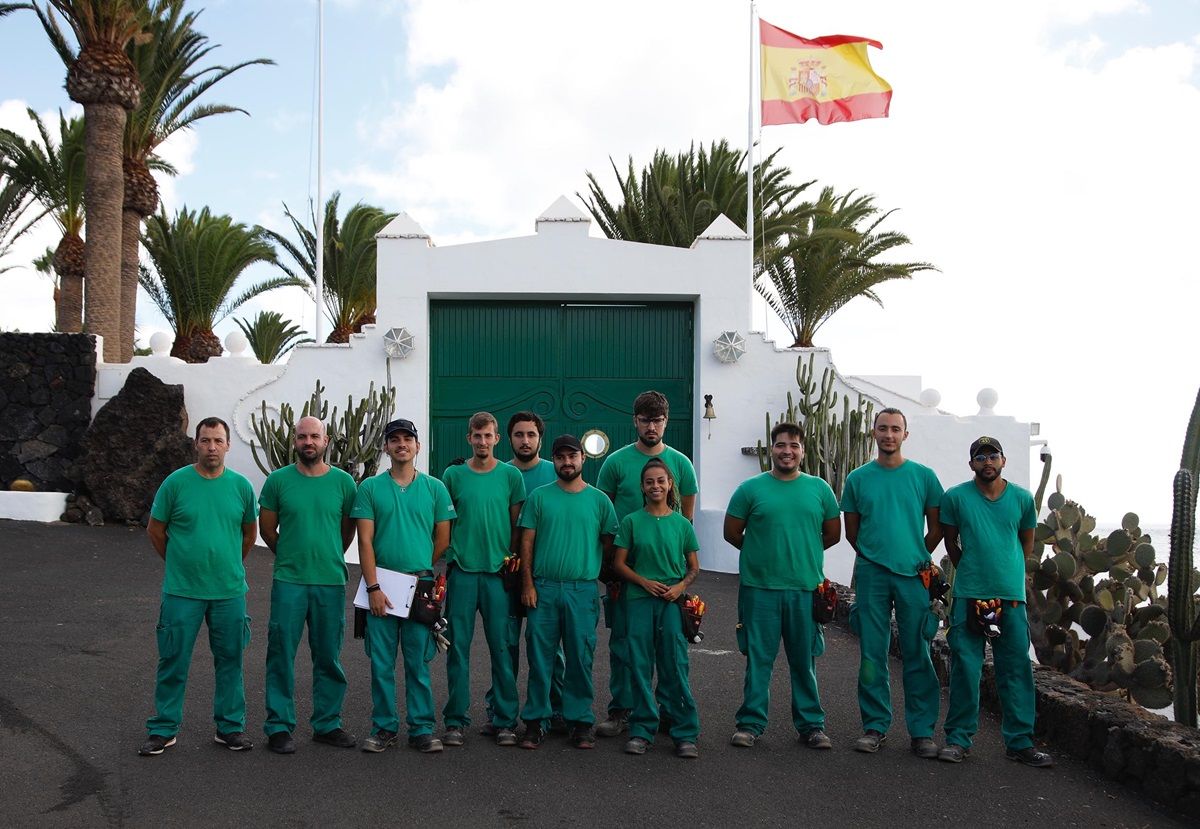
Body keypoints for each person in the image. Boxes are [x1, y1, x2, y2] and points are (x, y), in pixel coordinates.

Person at [138, 417, 258, 756]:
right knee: (173, 659)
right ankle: (163, 728)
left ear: (228, 445)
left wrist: (228, 564)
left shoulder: (241, 487)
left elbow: (249, 534)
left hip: (229, 592)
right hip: (182, 591)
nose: (212, 447)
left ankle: (230, 728)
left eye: (218, 441)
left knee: (230, 660)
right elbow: (155, 530)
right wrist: (179, 563)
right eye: (206, 441)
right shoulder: (176, 483)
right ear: (196, 443)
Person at [723, 422, 840, 750]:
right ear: (770, 449)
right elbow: (732, 533)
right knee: (758, 659)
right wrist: (762, 555)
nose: (787, 451)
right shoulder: (750, 489)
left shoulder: (819, 489)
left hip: (805, 590)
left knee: (804, 661)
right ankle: (750, 723)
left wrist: (803, 555)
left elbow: (832, 535)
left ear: (803, 451)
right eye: (780, 445)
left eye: (794, 445)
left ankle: (811, 726)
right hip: (759, 589)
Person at [938, 436, 1053, 768]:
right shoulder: (956, 497)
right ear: (971, 463)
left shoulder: (1021, 498)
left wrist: (1003, 573)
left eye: (992, 456)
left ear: (1003, 460)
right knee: (965, 668)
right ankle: (958, 739)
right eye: (979, 457)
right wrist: (974, 571)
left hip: (1011, 599)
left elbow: (1025, 545)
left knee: (1015, 669)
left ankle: (1019, 742)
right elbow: (951, 544)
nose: (986, 461)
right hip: (969, 596)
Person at [840, 408, 944, 758]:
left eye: (895, 429)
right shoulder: (857, 479)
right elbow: (851, 530)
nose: (889, 435)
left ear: (905, 435)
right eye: (882, 428)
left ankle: (922, 731)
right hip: (871, 575)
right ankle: (874, 726)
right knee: (872, 653)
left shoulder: (924, 477)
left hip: (914, 576)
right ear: (873, 433)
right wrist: (873, 557)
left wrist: (917, 554)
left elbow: (937, 527)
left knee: (918, 652)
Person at [595, 390, 698, 738]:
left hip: (667, 575)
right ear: (634, 421)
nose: (651, 426)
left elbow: (686, 520)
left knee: (670, 649)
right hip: (625, 570)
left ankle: (669, 712)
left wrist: (683, 577)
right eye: (644, 420)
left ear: (666, 422)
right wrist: (608, 569)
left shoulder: (681, 464)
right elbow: (603, 517)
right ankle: (623, 709)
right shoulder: (616, 463)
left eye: (657, 420)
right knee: (624, 644)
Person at [352, 418, 455, 754]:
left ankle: (422, 728)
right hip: (381, 586)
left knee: (417, 661)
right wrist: (373, 587)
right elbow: (364, 542)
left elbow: (442, 539)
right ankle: (384, 728)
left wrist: (419, 567)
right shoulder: (370, 489)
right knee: (381, 663)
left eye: (407, 439)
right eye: (394, 439)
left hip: (420, 585)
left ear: (417, 446)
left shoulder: (435, 488)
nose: (401, 444)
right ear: (386, 447)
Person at [259, 415, 359, 754]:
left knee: (329, 656)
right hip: (289, 581)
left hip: (330, 581)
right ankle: (278, 727)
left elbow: (348, 531)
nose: (308, 443)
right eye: (302, 437)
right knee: (281, 654)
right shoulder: (277, 481)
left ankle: (327, 724)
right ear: (294, 440)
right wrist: (289, 554)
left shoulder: (344, 483)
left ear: (326, 440)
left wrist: (329, 555)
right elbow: (267, 530)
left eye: (314, 436)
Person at [517, 434, 619, 750]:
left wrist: (598, 578)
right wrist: (528, 584)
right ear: (554, 460)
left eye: (572, 456)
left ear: (582, 459)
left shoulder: (600, 501)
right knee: (540, 659)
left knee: (580, 658)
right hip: (544, 589)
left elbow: (608, 545)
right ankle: (536, 722)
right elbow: (527, 543)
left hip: (582, 590)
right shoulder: (539, 497)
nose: (567, 462)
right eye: (560, 457)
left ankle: (579, 722)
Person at [478, 410, 567, 736]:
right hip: (508, 575)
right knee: (506, 645)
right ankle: (500, 711)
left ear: (540, 438)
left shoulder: (555, 473)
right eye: (519, 434)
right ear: (508, 438)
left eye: (531, 434)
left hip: (546, 572)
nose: (525, 440)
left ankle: (555, 708)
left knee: (550, 648)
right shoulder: (500, 474)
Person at [441, 412, 526, 748]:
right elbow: (443, 523)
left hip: (497, 576)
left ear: (496, 439)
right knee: (456, 649)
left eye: (488, 436)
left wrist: (513, 565)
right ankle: (454, 720)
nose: (482, 442)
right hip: (462, 572)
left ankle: (504, 720)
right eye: (476, 436)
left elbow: (517, 527)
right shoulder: (453, 475)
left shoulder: (511, 476)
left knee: (502, 649)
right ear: (469, 439)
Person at [612, 458, 701, 759]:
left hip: (672, 603)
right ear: (642, 486)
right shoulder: (631, 522)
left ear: (670, 484)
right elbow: (619, 563)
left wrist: (680, 587)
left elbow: (693, 567)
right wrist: (643, 582)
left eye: (661, 480)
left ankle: (684, 731)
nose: (655, 486)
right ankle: (641, 729)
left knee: (675, 664)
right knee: (638, 665)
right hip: (638, 601)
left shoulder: (681, 524)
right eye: (649, 481)